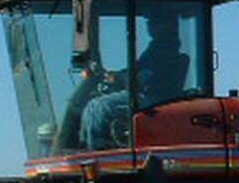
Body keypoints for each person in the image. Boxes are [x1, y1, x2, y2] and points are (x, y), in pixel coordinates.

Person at [81, 14, 190, 150]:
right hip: (151, 95)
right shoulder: (157, 48)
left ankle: (97, 151)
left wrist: (119, 78)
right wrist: (116, 75)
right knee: (95, 105)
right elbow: (138, 68)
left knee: (99, 107)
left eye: (155, 22)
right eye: (150, 22)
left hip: (156, 98)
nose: (150, 26)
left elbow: (146, 78)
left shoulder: (165, 50)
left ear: (169, 25)